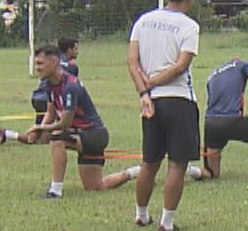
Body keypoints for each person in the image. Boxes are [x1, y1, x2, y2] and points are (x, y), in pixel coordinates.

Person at [13, 43, 148, 198]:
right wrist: (40, 129)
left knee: (57, 137)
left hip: (94, 135)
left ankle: (55, 191)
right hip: (80, 135)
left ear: (54, 62)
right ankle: (136, 171)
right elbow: (50, 112)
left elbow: (64, 124)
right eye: (36, 64)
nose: (37, 68)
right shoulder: (49, 85)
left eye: (40, 64)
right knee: (95, 187)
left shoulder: (70, 86)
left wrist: (41, 129)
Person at [127, 0, 203, 231]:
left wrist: (144, 92)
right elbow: (181, 66)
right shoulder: (189, 26)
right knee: (178, 163)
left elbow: (132, 61)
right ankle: (167, 222)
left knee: (150, 161)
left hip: (151, 103)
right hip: (179, 100)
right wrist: (156, 81)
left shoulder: (143, 20)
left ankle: (141, 214)